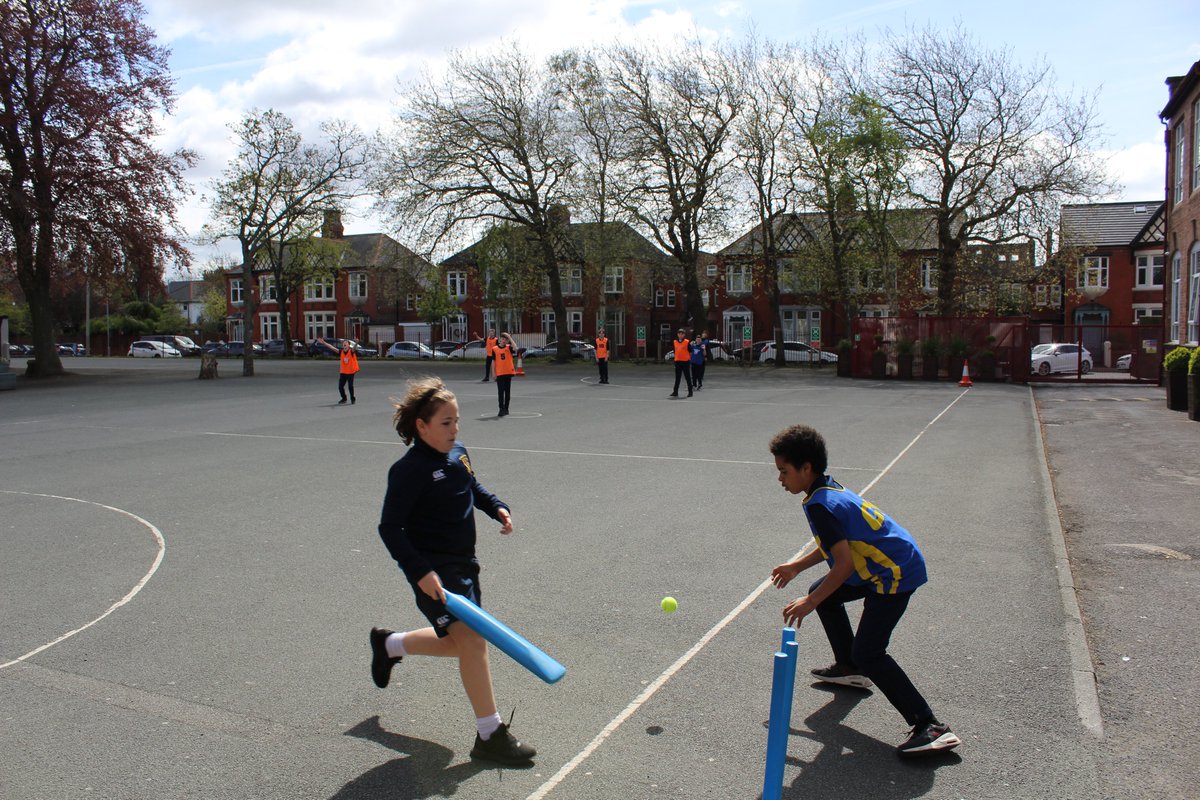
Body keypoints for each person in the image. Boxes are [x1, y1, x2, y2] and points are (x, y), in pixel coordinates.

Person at [369, 377, 537, 766]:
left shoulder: (457, 453)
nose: (454, 429)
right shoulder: (408, 470)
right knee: (474, 641)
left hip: (465, 563)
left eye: (456, 420)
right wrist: (421, 571)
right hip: (435, 572)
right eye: (445, 423)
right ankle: (490, 734)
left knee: (460, 644)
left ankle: (389, 644)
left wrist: (496, 506)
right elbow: (389, 527)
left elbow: (471, 486)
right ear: (421, 426)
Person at [767, 424, 960, 758]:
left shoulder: (819, 505)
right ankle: (848, 667)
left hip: (894, 572)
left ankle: (930, 726)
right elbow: (835, 546)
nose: (780, 479)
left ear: (806, 468)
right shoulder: (825, 489)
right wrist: (797, 566)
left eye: (784, 471)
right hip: (890, 561)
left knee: (869, 651)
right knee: (825, 595)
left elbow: (842, 567)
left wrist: (809, 603)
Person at [493, 332, 516, 417]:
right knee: (500, 392)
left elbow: (516, 348)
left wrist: (510, 338)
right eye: (502, 339)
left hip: (508, 372)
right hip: (499, 373)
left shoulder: (509, 348)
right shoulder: (495, 349)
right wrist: (493, 373)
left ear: (507, 341)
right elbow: (493, 361)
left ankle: (506, 408)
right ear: (499, 339)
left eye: (505, 339)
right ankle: (501, 409)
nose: (503, 340)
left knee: (507, 392)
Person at [669, 329, 693, 398]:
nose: (680, 335)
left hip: (685, 362)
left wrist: (688, 359)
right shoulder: (675, 342)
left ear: (684, 335)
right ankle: (675, 392)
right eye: (679, 333)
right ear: (677, 334)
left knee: (687, 377)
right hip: (678, 362)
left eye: (682, 334)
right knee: (677, 378)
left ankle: (690, 392)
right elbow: (675, 351)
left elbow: (691, 351)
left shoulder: (687, 342)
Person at [338, 339, 359, 404]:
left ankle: (352, 398)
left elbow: (354, 349)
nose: (344, 344)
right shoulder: (341, 352)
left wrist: (356, 343)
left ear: (349, 345)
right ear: (343, 345)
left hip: (350, 372)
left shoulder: (351, 352)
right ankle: (344, 398)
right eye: (344, 344)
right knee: (340, 387)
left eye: (346, 343)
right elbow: (332, 347)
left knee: (350, 386)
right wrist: (324, 342)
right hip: (343, 372)